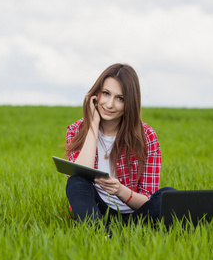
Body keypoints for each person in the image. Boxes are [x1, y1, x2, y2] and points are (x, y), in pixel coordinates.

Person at [65, 63, 176, 236]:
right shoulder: (77, 129)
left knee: (168, 196)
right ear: (96, 94)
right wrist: (93, 125)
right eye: (106, 94)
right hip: (98, 211)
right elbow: (77, 174)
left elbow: (147, 199)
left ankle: (130, 231)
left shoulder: (147, 136)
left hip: (136, 215)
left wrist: (120, 191)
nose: (109, 104)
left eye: (120, 98)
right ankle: (101, 235)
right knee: (76, 182)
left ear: (130, 103)